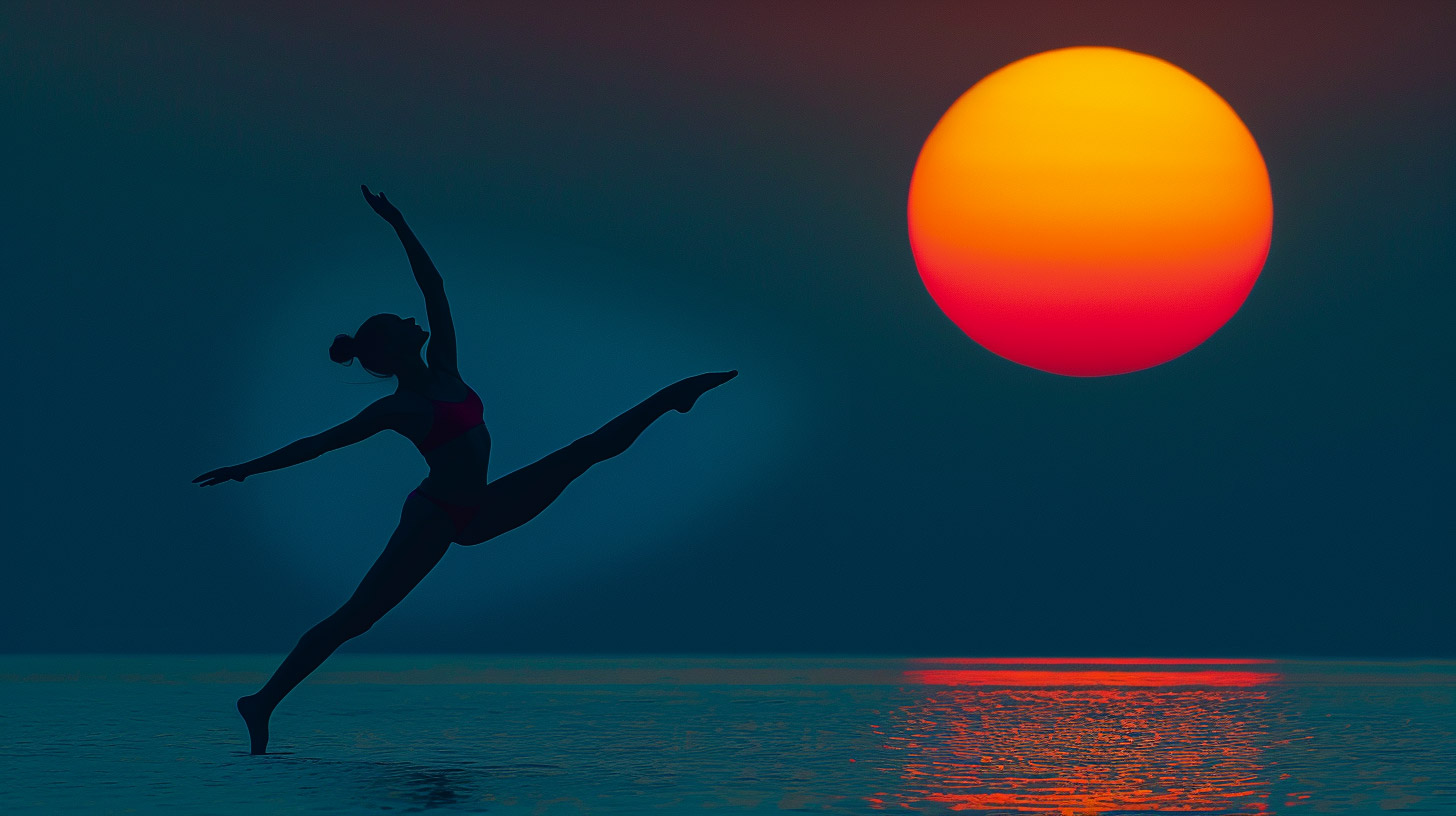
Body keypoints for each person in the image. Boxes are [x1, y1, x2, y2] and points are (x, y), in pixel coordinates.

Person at [194, 185, 736, 754]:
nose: (412, 319)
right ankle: (262, 702)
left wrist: (399, 222)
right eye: (401, 323)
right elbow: (320, 444)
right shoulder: (398, 407)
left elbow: (434, 288)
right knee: (356, 617)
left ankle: (676, 396)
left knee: (585, 452)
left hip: (479, 508)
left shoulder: (445, 366)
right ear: (393, 348)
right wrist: (245, 470)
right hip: (434, 518)